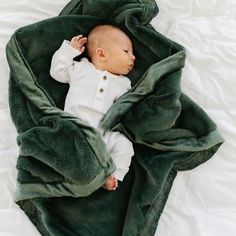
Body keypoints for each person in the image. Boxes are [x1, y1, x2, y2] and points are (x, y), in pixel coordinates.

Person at [50, 24, 135, 191]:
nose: (133, 58)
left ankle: (112, 174)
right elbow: (57, 72)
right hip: (74, 128)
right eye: (126, 51)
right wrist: (69, 50)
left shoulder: (124, 84)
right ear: (101, 53)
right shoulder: (81, 68)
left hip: (102, 135)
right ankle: (70, 173)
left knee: (125, 145)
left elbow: (127, 108)